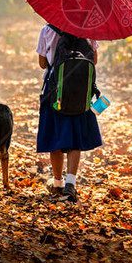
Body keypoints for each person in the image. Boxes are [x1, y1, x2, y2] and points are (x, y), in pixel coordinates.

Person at [36, 24, 103, 202]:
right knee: (76, 136)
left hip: (55, 91)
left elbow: (43, 63)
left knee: (55, 135)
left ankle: (57, 182)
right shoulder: (88, 30)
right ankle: (70, 182)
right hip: (81, 92)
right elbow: (94, 61)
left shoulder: (48, 30)